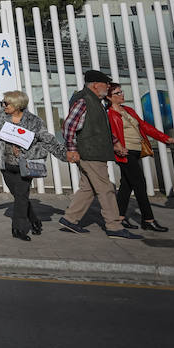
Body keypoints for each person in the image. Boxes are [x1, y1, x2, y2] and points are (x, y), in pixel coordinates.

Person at [0, 90, 65, 241]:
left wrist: (64, 154)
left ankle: (18, 229)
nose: (3, 105)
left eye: (6, 103)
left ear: (17, 105)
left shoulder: (33, 121)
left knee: (21, 195)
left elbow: (47, 140)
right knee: (19, 197)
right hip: (5, 164)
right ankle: (35, 221)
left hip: (25, 164)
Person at [60, 69, 140, 238]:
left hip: (95, 151)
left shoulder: (97, 101)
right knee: (106, 189)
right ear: (96, 85)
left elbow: (99, 129)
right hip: (90, 152)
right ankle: (114, 226)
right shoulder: (84, 100)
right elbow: (69, 125)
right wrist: (71, 149)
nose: (109, 87)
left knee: (88, 188)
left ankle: (70, 219)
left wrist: (115, 143)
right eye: (106, 84)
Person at [105, 82, 174, 232]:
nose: (122, 94)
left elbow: (144, 126)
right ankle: (148, 219)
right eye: (118, 93)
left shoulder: (128, 110)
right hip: (125, 152)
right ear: (109, 97)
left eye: (121, 91)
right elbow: (108, 135)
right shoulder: (109, 114)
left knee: (126, 185)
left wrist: (164, 138)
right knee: (139, 184)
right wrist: (116, 148)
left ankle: (119, 218)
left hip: (136, 150)